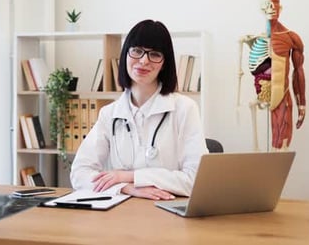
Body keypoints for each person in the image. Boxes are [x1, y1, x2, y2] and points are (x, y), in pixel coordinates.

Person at [70, 19, 208, 200]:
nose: (143, 61)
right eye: (137, 51)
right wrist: (126, 187)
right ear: (125, 55)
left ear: (165, 63)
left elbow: (197, 180)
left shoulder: (184, 109)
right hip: (120, 213)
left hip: (168, 212)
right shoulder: (109, 114)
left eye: (155, 54)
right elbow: (79, 173)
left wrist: (131, 176)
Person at [238, 0, 306, 151]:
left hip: (282, 94)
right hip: (262, 92)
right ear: (262, 9)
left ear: (280, 7)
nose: (271, 7)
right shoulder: (257, 38)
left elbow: (298, 71)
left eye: (275, 3)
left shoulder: (291, 37)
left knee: (281, 147)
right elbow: (255, 66)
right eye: (267, 4)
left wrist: (302, 104)